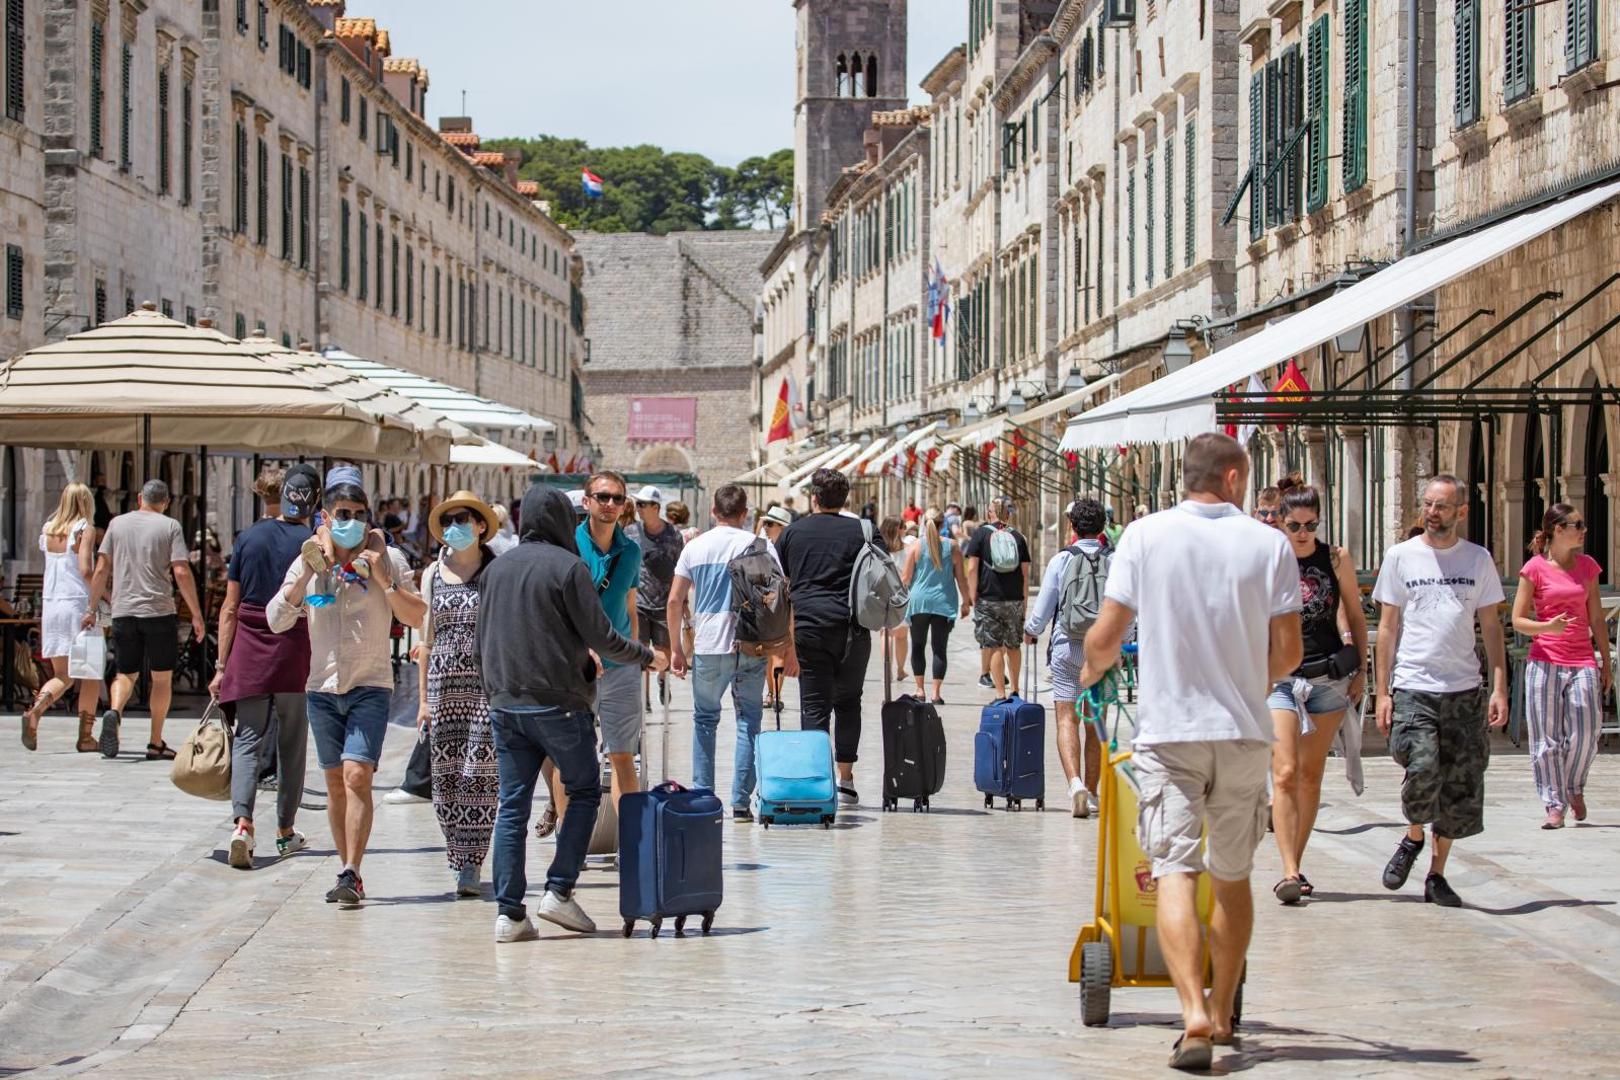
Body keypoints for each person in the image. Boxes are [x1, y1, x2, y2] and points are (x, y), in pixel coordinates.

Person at [1079, 432, 1302, 1070]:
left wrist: (1092, 671)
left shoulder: (1144, 536)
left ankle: (1193, 1016)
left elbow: (1107, 634)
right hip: (1242, 733)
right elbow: (1288, 653)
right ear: (1234, 479)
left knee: (1175, 869)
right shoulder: (1269, 544)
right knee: (1233, 876)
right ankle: (1225, 1008)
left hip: (1171, 731)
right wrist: (1246, 688)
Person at [478, 485, 658, 942]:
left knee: (513, 807)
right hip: (558, 702)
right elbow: (603, 636)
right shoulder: (568, 567)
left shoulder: (496, 570)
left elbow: (481, 640)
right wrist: (643, 655)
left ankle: (509, 914)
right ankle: (558, 889)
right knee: (583, 791)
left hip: (505, 703)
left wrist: (495, 691)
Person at [267, 466, 424, 906]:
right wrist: (303, 577)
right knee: (335, 781)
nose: (349, 519)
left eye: (357, 512)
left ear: (368, 517)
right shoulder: (308, 560)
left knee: (358, 775)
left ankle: (353, 870)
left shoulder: (388, 560)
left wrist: (385, 581)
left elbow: (416, 616)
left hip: (370, 684)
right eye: (342, 511)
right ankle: (344, 865)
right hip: (321, 686)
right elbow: (276, 619)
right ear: (326, 515)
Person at [1373, 474, 1508, 908]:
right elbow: (1388, 629)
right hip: (1414, 685)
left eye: (1443, 506)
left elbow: (1491, 628)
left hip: (1464, 689)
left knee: (1461, 787)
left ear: (1461, 512)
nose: (1433, 513)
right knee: (1423, 767)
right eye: (1428, 504)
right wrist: (1382, 691)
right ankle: (1413, 838)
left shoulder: (1478, 560)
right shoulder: (1401, 557)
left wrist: (1499, 688)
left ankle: (1436, 874)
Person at [1265, 480, 1368, 902]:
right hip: (1280, 680)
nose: (1303, 533)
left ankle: (1297, 865)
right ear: (1281, 523)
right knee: (1285, 771)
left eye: (1311, 524)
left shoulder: (1336, 559)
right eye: (1294, 525)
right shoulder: (1268, 561)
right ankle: (1288, 869)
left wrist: (1362, 669)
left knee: (1310, 776)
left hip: (1328, 677)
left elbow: (1357, 617)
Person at [211, 464, 318, 869]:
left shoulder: (247, 538)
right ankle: (286, 831)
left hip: (251, 644)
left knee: (248, 738)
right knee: (292, 742)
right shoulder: (310, 540)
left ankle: (242, 825)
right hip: (294, 644)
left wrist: (221, 665)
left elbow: (229, 606)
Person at [667, 484, 789, 820]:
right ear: (745, 513)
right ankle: (740, 801)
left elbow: (675, 600)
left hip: (708, 643)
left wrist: (677, 648)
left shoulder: (695, 547)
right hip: (752, 642)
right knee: (749, 720)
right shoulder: (760, 545)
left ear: (713, 512)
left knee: (705, 719)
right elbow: (780, 594)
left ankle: (704, 794)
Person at [417, 491, 502, 897]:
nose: (455, 526)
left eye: (462, 518)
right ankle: (456, 852)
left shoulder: (497, 572)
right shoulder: (433, 574)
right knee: (446, 778)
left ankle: (472, 861)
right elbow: (426, 640)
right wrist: (421, 701)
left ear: (481, 525)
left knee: (480, 777)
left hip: (485, 685)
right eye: (448, 519)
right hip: (443, 686)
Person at [83, 479, 205, 760]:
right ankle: (155, 741)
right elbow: (182, 572)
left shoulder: (116, 524)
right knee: (161, 679)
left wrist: (91, 608)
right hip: (159, 611)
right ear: (166, 502)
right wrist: (196, 614)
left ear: (139, 498)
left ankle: (114, 710)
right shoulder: (170, 526)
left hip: (123, 611)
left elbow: (101, 569)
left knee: (126, 673)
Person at [1512, 503, 1609, 829]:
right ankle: (1554, 804)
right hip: (1545, 662)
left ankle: (1573, 786)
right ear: (1556, 530)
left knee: (1587, 730)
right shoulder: (1534, 569)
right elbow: (1518, 620)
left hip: (1582, 658)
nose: (1584, 529)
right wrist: (1546, 628)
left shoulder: (1588, 567)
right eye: (1576, 524)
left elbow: (1596, 616)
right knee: (1545, 738)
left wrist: (1605, 662)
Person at [776, 468, 870, 804]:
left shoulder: (791, 534)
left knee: (813, 706)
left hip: (808, 627)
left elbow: (781, 588)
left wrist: (785, 643)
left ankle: (819, 780)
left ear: (814, 498)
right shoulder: (863, 531)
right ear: (845, 499)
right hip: (853, 629)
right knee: (849, 702)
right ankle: (846, 778)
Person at [1024, 498, 1110, 818]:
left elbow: (1043, 609)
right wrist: (1123, 641)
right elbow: (1127, 610)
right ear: (1102, 527)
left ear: (1073, 527)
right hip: (1102, 650)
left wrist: (1031, 630)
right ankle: (1093, 791)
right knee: (1095, 721)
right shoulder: (1114, 560)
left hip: (1066, 647)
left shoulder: (1061, 559)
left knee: (1066, 718)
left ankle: (1075, 784)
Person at [574, 471, 646, 812]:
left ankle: (631, 847)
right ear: (587, 501)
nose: (610, 504)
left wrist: (633, 653)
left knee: (623, 756)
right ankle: (569, 840)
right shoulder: (568, 546)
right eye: (602, 497)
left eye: (617, 498)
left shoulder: (631, 551)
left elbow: (630, 607)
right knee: (572, 756)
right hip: (575, 667)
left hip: (620, 667)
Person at [22, 482, 102, 752]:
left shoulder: (48, 531)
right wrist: (107, 596)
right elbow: (86, 570)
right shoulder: (84, 529)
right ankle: (86, 736)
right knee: (90, 674)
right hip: (78, 605)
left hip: (52, 605)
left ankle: (36, 711)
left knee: (63, 675)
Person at [963, 496, 1032, 698]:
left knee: (993, 646)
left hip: (989, 598)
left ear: (989, 514)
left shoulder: (981, 534)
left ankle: (1000, 694)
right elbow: (1025, 573)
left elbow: (973, 568)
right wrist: (1024, 601)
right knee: (1013, 645)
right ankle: (1016, 690)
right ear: (1008, 514)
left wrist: (972, 596)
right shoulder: (1019, 537)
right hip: (1015, 598)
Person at [901, 512, 969, 705]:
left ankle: (920, 689)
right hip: (943, 602)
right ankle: (936, 694)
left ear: (924, 523)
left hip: (919, 602)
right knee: (940, 648)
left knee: (917, 645)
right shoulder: (953, 547)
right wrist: (966, 601)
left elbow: (905, 579)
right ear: (943, 525)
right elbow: (961, 579)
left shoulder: (915, 546)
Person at [626, 485, 684, 711]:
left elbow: (680, 569)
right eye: (637, 504)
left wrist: (682, 602)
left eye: (642, 505)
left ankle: (662, 680)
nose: (638, 508)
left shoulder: (674, 536)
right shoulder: (630, 532)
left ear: (656, 507)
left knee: (663, 651)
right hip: (638, 601)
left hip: (663, 603)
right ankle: (644, 697)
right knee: (641, 650)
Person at [757, 505, 794, 709]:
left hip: (783, 602)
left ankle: (776, 694)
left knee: (779, 651)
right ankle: (771, 692)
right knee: (767, 652)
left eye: (770, 524)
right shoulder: (763, 545)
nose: (765, 527)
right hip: (764, 602)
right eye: (764, 523)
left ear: (782, 527)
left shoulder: (788, 547)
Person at [879, 517, 910, 682]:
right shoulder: (906, 549)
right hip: (902, 595)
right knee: (902, 636)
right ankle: (900, 669)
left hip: (884, 595)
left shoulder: (879, 550)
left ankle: (887, 670)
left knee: (885, 633)